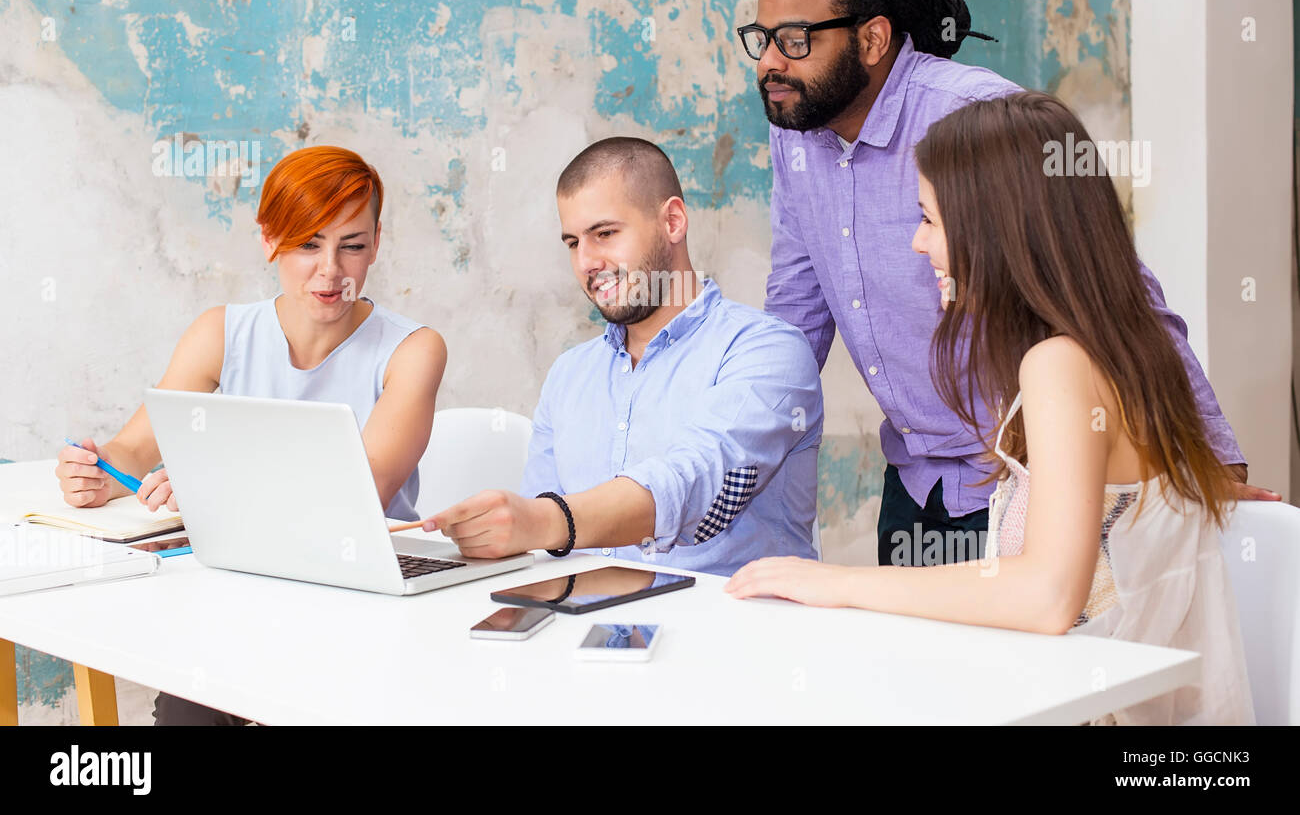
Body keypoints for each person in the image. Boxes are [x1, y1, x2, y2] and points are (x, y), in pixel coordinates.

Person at [741, 0, 1276, 568]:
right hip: (915, 480)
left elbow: (1114, 288)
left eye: (794, 40)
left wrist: (1207, 456)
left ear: (873, 38)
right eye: (761, 39)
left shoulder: (978, 118)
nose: (770, 61)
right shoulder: (797, 132)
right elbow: (796, 315)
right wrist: (725, 458)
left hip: (1027, 478)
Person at [726, 93, 1255, 724]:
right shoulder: (1127, 345)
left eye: (928, 219)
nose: (920, 244)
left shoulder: (1059, 366)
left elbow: (1049, 595)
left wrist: (836, 583)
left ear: (998, 229)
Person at [54, 145, 447, 723]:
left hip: (353, 603)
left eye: (353, 246)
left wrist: (218, 494)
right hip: (231, 604)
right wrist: (96, 470)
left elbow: (361, 495)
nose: (331, 271)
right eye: (308, 244)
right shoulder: (222, 333)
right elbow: (134, 451)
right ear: (269, 240)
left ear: (377, 244)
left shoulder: (412, 350)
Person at [420, 137, 822, 576]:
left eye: (605, 233)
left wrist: (545, 520)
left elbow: (698, 481)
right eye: (572, 242)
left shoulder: (768, 351)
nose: (587, 261)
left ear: (672, 221)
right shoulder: (569, 374)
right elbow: (541, 551)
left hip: (726, 631)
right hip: (582, 625)